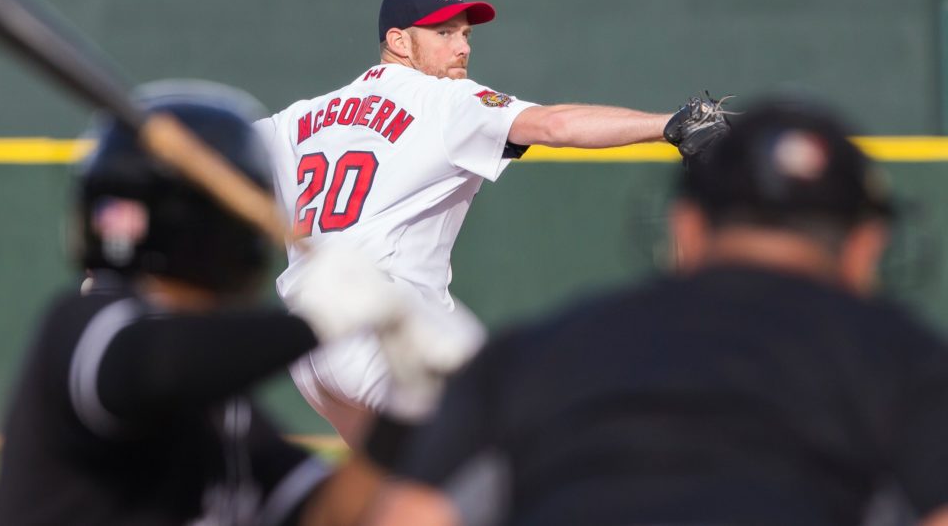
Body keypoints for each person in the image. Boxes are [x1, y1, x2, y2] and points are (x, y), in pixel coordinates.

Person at [368, 99, 948, 526]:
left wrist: (397, 421)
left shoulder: (543, 348)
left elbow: (411, 515)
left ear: (685, 232)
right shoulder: (905, 361)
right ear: (865, 247)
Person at [256, 0, 728, 446]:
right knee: (514, 439)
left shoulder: (297, 119)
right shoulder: (444, 100)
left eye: (465, 34)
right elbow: (554, 125)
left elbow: (216, 150)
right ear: (398, 42)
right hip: (384, 329)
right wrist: (670, 124)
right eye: (443, 33)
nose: (461, 47)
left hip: (308, 346)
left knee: (400, 479)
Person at [0, 82, 479, 526]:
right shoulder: (83, 329)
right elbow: (155, 365)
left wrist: (405, 409)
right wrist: (316, 322)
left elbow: (324, 512)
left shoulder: (225, 414)